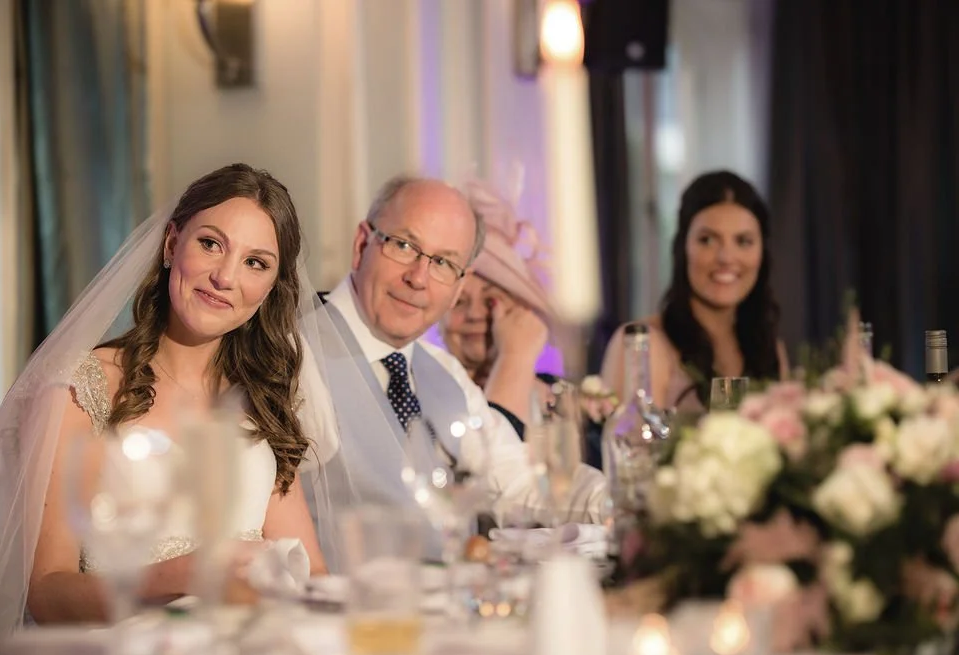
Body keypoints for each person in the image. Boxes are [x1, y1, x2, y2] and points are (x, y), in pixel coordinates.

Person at [0, 163, 339, 638]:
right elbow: (46, 594)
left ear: (271, 287)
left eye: (256, 262)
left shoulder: (264, 400)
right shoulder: (81, 389)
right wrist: (182, 576)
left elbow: (311, 574)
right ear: (172, 245)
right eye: (211, 244)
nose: (225, 277)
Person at [301, 174, 607, 555]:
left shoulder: (444, 372)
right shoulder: (294, 356)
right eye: (403, 245)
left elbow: (519, 481)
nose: (419, 278)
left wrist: (620, 500)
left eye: (444, 263)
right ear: (362, 244)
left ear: (458, 286)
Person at [601, 170, 788, 411]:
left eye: (743, 241)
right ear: (682, 247)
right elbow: (628, 445)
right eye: (708, 240)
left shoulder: (770, 349)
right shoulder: (641, 344)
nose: (726, 257)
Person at [438, 178, 552, 437]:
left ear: (521, 309)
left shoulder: (559, 399)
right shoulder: (420, 396)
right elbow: (489, 466)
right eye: (459, 302)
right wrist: (514, 358)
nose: (475, 315)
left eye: (491, 302)